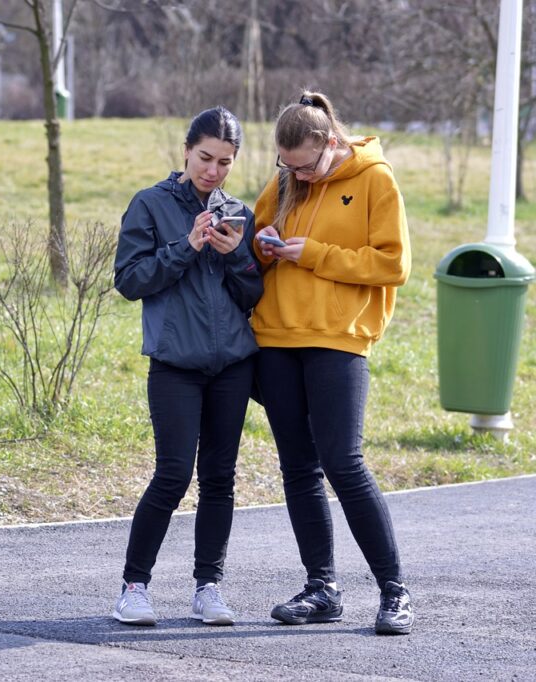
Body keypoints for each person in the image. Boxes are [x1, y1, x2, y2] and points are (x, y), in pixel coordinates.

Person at [250, 91, 414, 635]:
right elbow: (255, 239)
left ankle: (394, 592)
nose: (296, 174)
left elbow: (393, 264)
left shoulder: (375, 179)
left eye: (304, 165)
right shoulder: (285, 182)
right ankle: (321, 588)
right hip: (276, 337)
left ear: (330, 143)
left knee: (344, 463)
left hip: (340, 338)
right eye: (286, 165)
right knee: (298, 468)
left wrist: (313, 254)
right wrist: (263, 244)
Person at [112, 106, 263, 627]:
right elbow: (130, 280)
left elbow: (252, 292)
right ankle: (134, 587)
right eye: (205, 158)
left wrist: (235, 254)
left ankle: (209, 587)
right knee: (172, 475)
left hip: (232, 366)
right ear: (186, 151)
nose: (213, 171)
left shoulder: (238, 210)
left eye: (225, 162)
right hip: (175, 364)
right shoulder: (150, 204)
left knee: (220, 479)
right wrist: (187, 245)